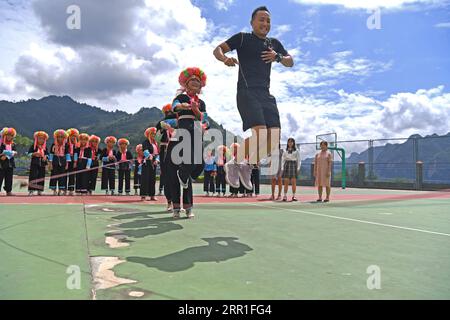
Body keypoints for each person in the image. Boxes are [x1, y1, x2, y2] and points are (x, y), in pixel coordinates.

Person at [213, 5, 294, 191]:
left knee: (274, 139)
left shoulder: (274, 44)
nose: (265, 23)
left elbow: (290, 61)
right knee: (261, 133)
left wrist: (278, 56)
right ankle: (233, 163)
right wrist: (224, 59)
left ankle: (246, 165)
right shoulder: (243, 38)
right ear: (252, 22)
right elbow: (218, 49)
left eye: (268, 21)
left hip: (266, 94)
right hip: (247, 92)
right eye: (261, 19)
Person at [168, 67, 208, 218]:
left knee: (199, 164)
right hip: (182, 132)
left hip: (196, 132)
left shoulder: (201, 102)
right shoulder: (181, 98)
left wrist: (196, 110)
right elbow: (174, 108)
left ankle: (184, 176)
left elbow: (203, 118)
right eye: (192, 80)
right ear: (185, 83)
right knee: (175, 172)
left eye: (198, 80)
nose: (195, 82)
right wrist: (185, 106)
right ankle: (177, 208)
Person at [156, 103, 177, 202]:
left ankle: (173, 201)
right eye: (167, 112)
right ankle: (170, 200)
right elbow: (157, 138)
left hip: (174, 148)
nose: (168, 113)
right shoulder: (161, 123)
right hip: (166, 149)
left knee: (172, 175)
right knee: (167, 175)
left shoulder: (177, 121)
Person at [48, 129, 70, 196]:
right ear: (56, 137)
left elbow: (67, 155)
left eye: (61, 137)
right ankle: (54, 190)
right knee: (54, 175)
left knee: (62, 177)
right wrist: (50, 163)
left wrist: (67, 164)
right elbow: (51, 154)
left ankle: (60, 190)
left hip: (63, 162)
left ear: (64, 138)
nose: (60, 138)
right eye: (58, 136)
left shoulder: (66, 145)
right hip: (55, 161)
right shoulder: (53, 144)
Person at [28, 131, 49, 196]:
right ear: (36, 139)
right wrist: (34, 154)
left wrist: (46, 156)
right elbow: (29, 154)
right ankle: (31, 190)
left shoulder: (45, 147)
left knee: (41, 176)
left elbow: (48, 154)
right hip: (34, 164)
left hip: (42, 164)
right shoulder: (33, 146)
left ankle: (40, 190)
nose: (41, 140)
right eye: (40, 138)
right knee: (33, 176)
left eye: (43, 139)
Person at [141, 127, 159, 201]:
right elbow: (145, 150)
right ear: (148, 134)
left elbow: (158, 153)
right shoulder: (145, 142)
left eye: (154, 134)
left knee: (152, 179)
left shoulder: (155, 143)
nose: (153, 135)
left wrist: (157, 159)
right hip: (147, 162)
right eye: (152, 133)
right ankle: (143, 195)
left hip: (153, 163)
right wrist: (149, 156)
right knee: (145, 179)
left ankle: (152, 195)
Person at [281, 138, 301, 202]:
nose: (290, 143)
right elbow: (282, 159)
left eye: (291, 142)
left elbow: (299, 160)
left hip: (293, 165)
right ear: (287, 143)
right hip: (287, 165)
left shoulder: (296, 150)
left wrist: (298, 168)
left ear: (293, 143)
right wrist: (282, 168)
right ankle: (285, 196)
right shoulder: (285, 150)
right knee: (286, 182)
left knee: (293, 182)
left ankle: (294, 196)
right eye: (289, 142)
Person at [0, 127, 17, 196]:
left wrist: (14, 153)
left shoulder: (13, 144)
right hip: (2, 164)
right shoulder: (1, 144)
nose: (9, 137)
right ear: (4, 135)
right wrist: (1, 156)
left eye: (11, 135)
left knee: (9, 178)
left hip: (10, 164)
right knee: (0, 177)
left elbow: (15, 151)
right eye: (8, 135)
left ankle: (8, 191)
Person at [66, 128, 79, 196]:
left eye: (74, 136)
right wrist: (67, 162)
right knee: (65, 175)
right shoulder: (66, 144)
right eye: (71, 136)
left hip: (74, 162)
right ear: (68, 136)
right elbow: (66, 153)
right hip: (66, 162)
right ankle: (63, 189)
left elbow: (76, 154)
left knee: (72, 176)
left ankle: (71, 189)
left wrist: (75, 162)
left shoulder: (77, 145)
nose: (73, 137)